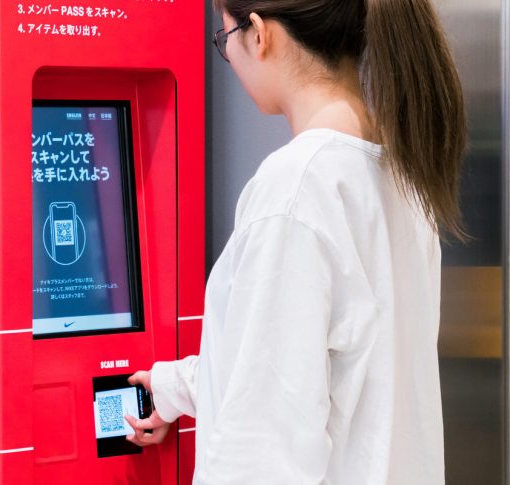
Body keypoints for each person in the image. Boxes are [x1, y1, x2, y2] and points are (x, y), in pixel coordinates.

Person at [125, 1, 466, 483]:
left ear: (259, 35)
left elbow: (262, 443)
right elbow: (319, 371)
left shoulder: (296, 187)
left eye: (223, 41)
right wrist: (171, 389)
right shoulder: (402, 178)